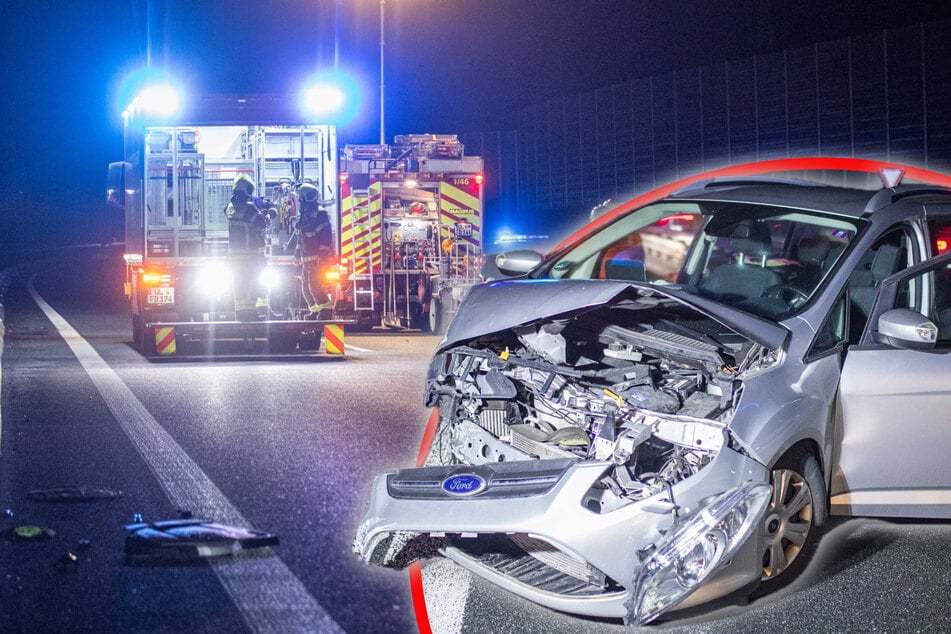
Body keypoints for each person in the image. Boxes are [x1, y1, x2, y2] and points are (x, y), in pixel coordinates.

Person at [225, 174, 268, 320]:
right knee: (252, 281)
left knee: (239, 283)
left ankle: (241, 313)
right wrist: (266, 211)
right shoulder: (249, 208)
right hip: (250, 254)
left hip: (234, 256)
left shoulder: (230, 207)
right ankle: (251, 313)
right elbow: (262, 224)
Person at [294, 183, 335, 319]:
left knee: (314, 286)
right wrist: (297, 252)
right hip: (306, 257)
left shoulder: (320, 213)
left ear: (307, 197)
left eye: (301, 197)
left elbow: (325, 234)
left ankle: (326, 310)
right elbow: (301, 236)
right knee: (305, 288)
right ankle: (316, 310)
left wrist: (323, 254)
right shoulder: (304, 214)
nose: (299, 200)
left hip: (316, 258)